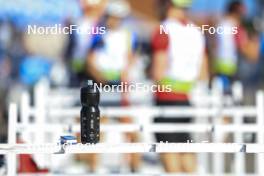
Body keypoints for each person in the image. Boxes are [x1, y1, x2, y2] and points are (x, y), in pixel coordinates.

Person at [151, 0, 208, 173]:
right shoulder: (196, 31)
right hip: (187, 99)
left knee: (168, 150)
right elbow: (203, 73)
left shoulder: (164, 29)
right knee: (185, 147)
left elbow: (158, 73)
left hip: (166, 100)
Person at [86, 0, 140, 172]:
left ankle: (135, 167)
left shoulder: (128, 35)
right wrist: (101, 79)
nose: (113, 20)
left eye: (117, 17)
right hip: (102, 85)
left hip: (119, 87)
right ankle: (94, 168)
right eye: (111, 16)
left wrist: (125, 77)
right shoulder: (99, 33)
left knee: (130, 129)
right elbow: (90, 60)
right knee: (97, 130)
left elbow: (131, 58)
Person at [213, 0, 259, 93]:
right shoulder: (236, 27)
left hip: (219, 66)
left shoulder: (220, 24)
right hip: (233, 68)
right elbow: (244, 49)